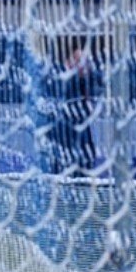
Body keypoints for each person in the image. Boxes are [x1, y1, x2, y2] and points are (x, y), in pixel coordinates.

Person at [40, 36, 99, 176]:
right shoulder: (56, 80)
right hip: (62, 139)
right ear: (69, 59)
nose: (84, 65)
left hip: (80, 141)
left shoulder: (85, 82)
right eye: (80, 60)